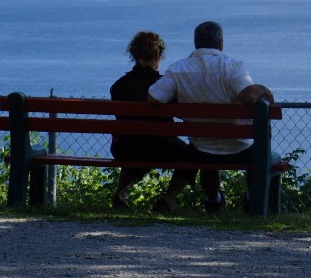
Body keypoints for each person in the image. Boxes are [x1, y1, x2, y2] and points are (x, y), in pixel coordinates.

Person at [147, 21, 274, 212]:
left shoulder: (178, 70)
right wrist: (262, 88)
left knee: (205, 150)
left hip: (201, 148)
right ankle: (251, 198)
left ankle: (213, 200)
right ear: (220, 43)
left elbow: (153, 98)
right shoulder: (231, 67)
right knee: (257, 152)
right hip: (239, 148)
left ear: (196, 43)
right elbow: (248, 96)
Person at [110, 31, 197, 212]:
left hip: (124, 148)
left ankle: (120, 193)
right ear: (158, 54)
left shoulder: (118, 86)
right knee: (193, 155)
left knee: (141, 147)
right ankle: (168, 199)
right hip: (158, 147)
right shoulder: (163, 85)